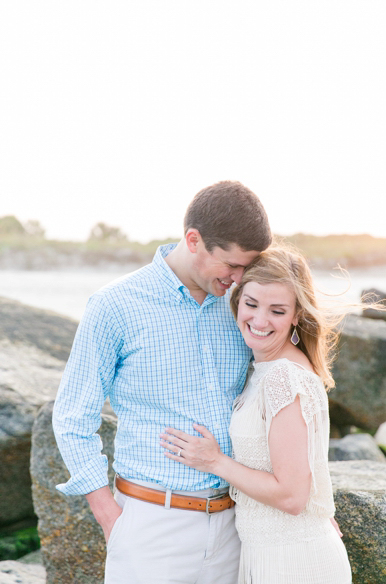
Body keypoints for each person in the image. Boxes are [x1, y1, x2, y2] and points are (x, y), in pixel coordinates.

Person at [52, 180, 272, 584]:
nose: (239, 278)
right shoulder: (115, 304)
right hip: (151, 526)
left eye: (247, 266)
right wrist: (109, 515)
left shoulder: (243, 308)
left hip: (235, 526)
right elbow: (72, 417)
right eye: (231, 265)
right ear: (193, 240)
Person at [160, 244, 353, 584]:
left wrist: (214, 462)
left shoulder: (283, 377)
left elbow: (292, 497)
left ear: (297, 315)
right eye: (251, 304)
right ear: (237, 302)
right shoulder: (267, 368)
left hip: (294, 562)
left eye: (277, 311)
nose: (259, 321)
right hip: (272, 553)